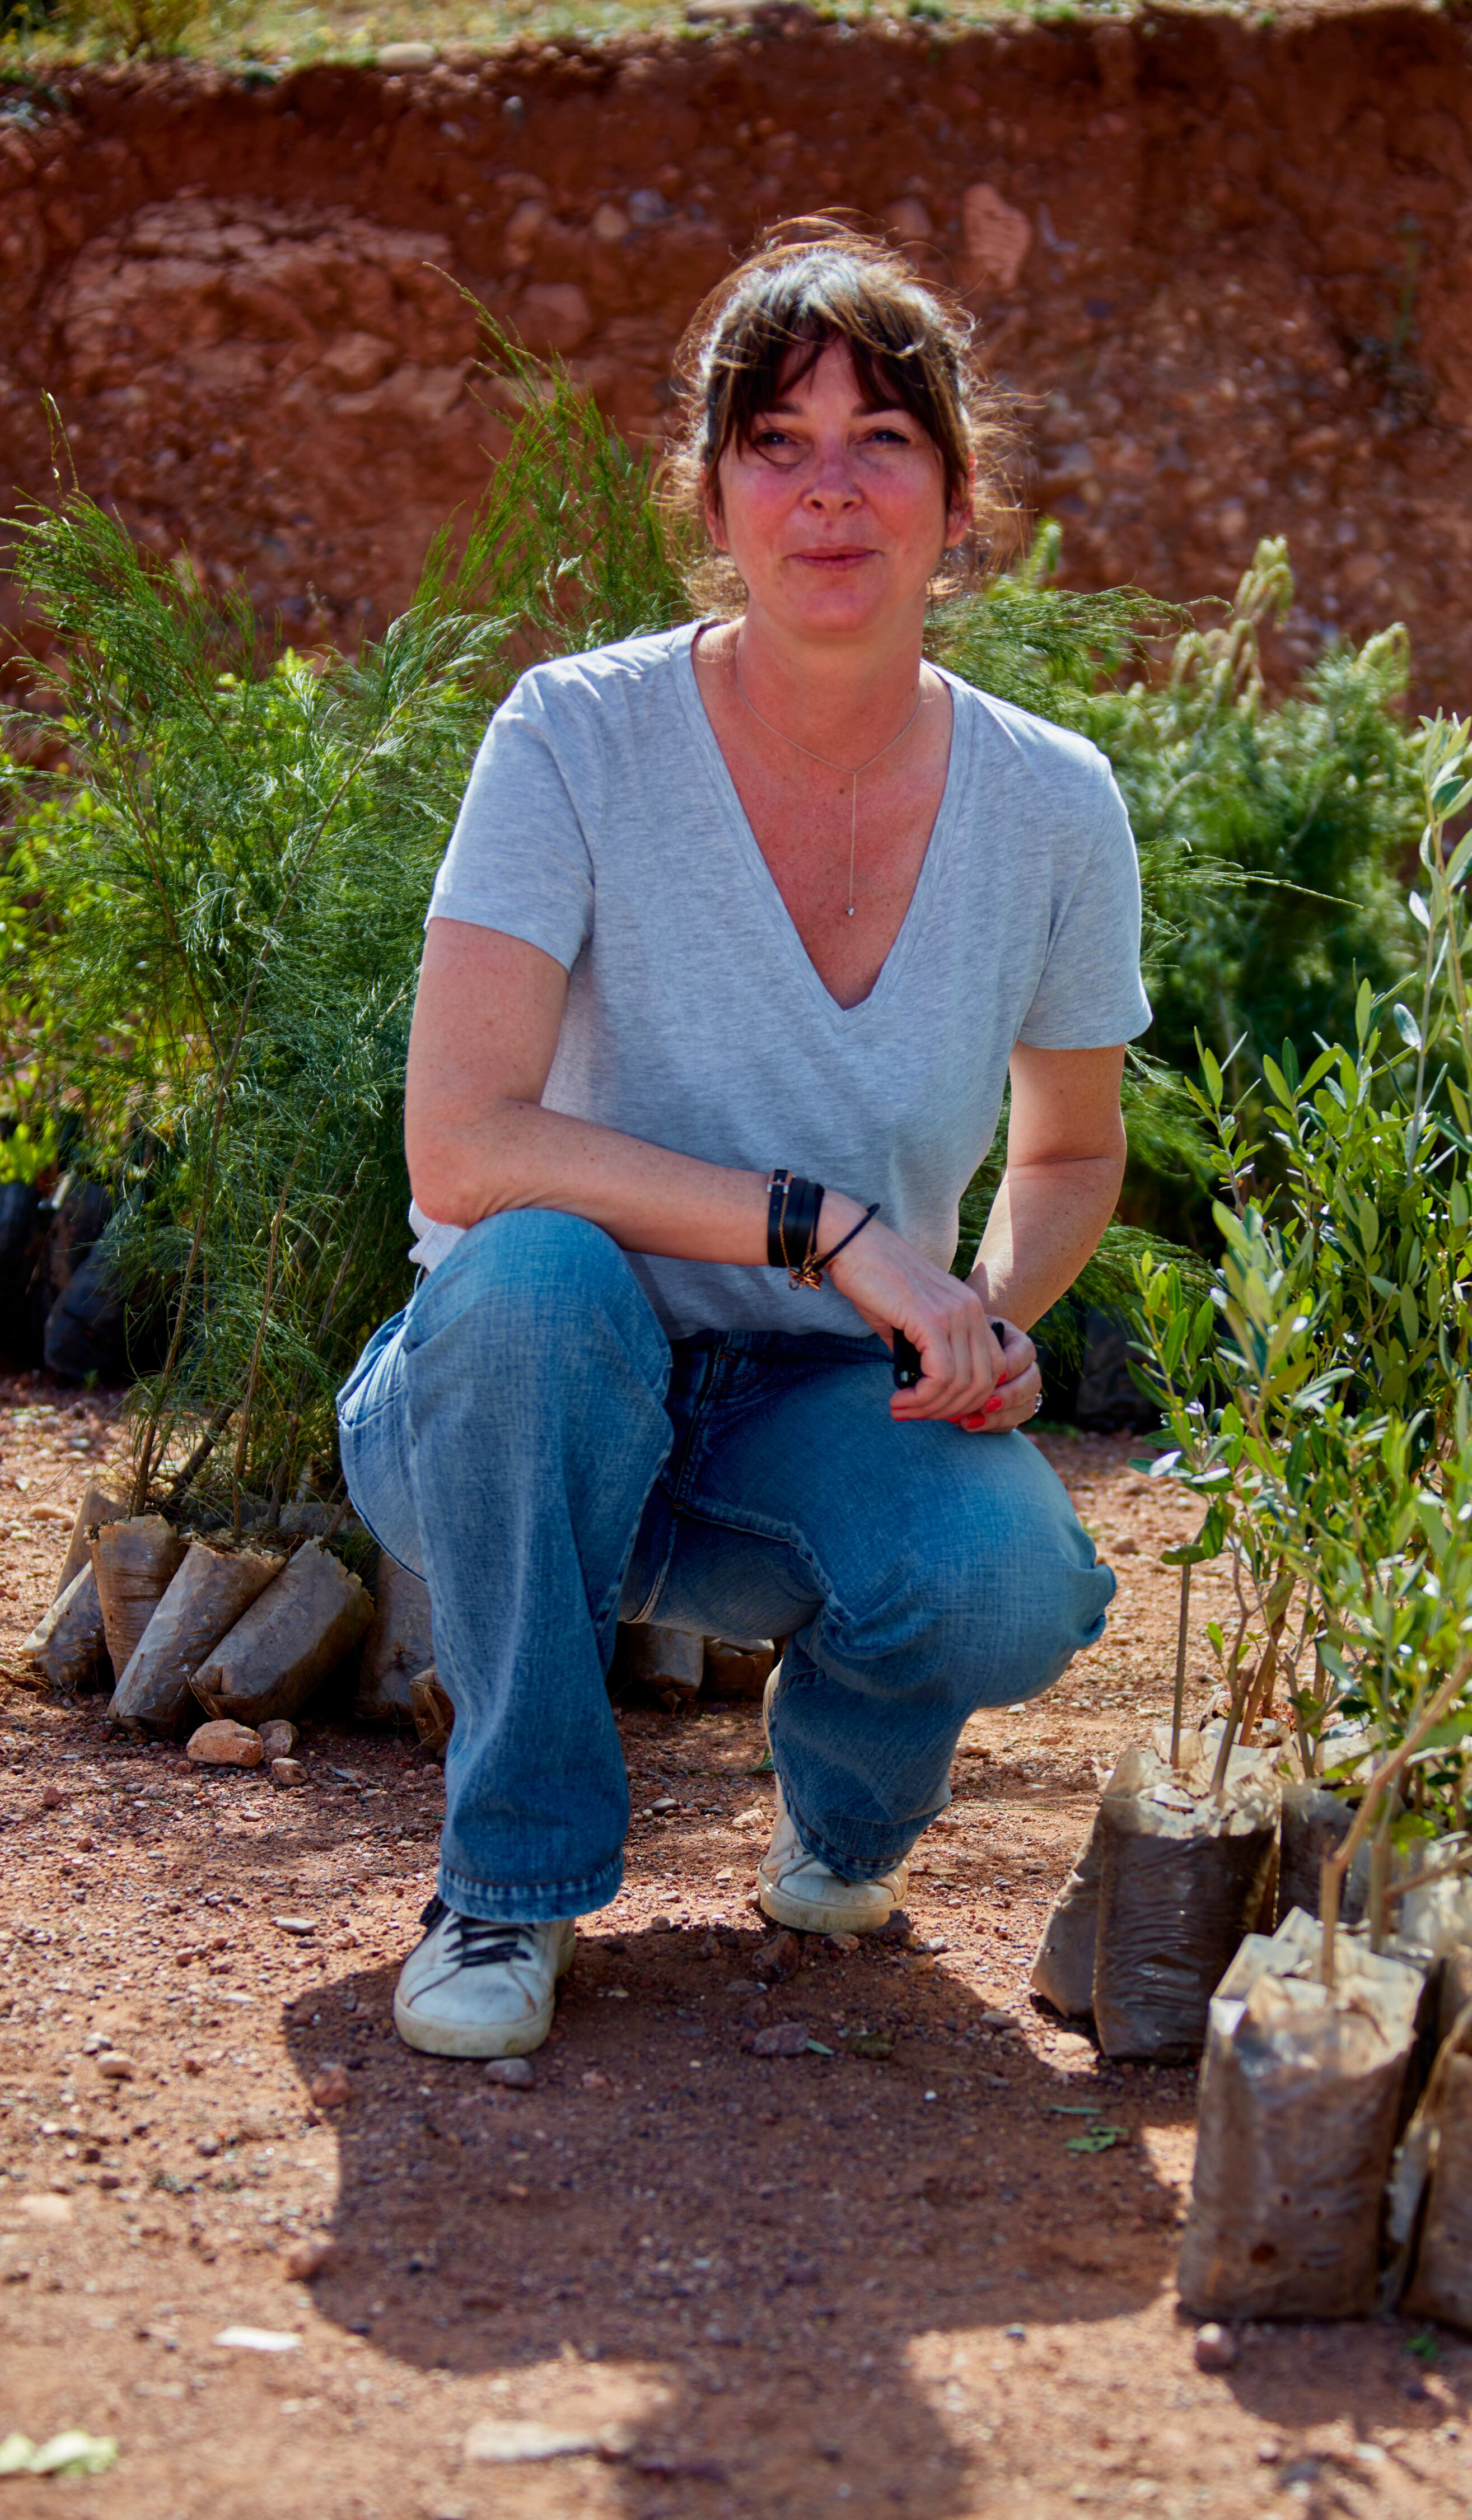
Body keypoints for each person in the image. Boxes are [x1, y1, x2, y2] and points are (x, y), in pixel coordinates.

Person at [335, 225, 1152, 2060]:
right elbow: (461, 1145)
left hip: (810, 1412)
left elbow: (1072, 1150)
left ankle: (840, 1822)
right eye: (775, 442)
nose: (829, 491)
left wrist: (985, 1316)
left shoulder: (1053, 804)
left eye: (883, 440)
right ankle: (507, 1881)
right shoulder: (574, 734)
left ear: (961, 494)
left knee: (1016, 1572)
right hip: (518, 1406)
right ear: (710, 490)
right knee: (539, 1267)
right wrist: (829, 1222)